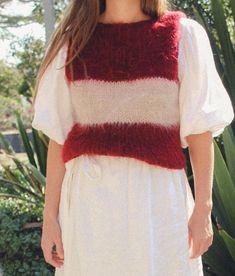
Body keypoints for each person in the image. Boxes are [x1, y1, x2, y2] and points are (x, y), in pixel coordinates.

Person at [31, 0, 234, 275]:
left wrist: (203, 208)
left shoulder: (183, 36)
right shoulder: (73, 42)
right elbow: (59, 137)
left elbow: (200, 130)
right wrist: (49, 218)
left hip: (158, 202)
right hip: (89, 206)